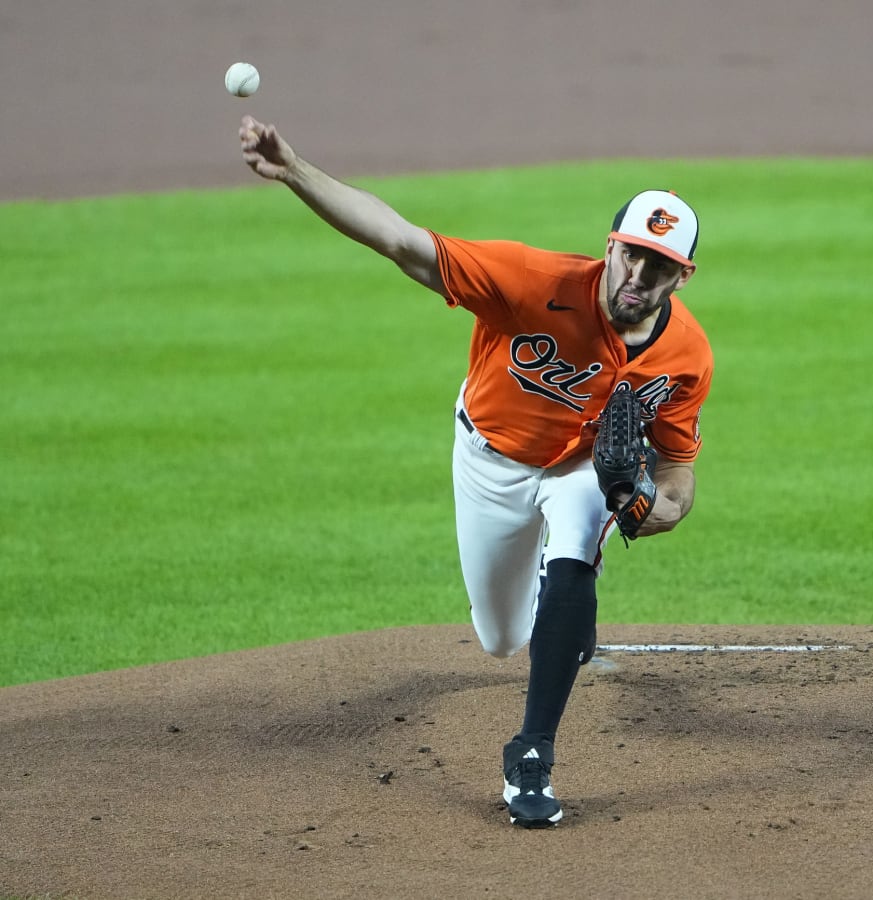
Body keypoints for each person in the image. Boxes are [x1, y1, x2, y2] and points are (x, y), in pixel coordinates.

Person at [237, 115, 714, 827]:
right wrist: (298, 170)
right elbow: (402, 242)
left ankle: (531, 755)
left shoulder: (688, 355)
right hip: (489, 458)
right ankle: (564, 614)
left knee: (579, 537)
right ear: (610, 248)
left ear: (682, 274)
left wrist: (645, 502)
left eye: (659, 266)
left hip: (579, 468)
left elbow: (676, 477)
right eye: (631, 256)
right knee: (500, 637)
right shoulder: (531, 282)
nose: (638, 277)